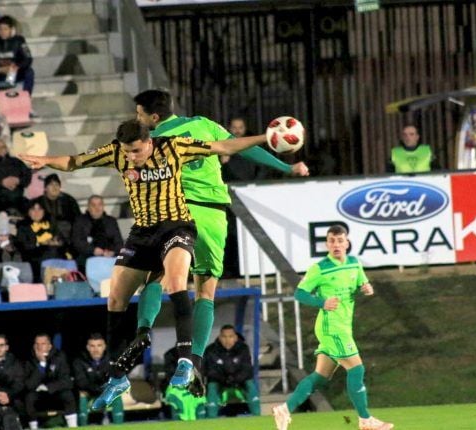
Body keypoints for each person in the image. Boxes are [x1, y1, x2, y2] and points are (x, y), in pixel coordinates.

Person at [19, 118, 272, 410]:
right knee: (115, 297)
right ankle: (117, 376)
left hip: (177, 226)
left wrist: (263, 137)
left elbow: (224, 145)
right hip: (143, 233)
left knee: (177, 282)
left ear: (149, 141)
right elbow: (75, 161)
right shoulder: (117, 152)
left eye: (137, 151)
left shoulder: (175, 148)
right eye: (128, 152)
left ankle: (187, 361)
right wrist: (45, 161)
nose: (132, 158)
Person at [126, 90, 309, 397]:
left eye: (140, 114)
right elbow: (239, 149)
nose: (137, 119)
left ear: (153, 118)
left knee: (155, 276)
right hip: (212, 214)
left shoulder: (150, 142)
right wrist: (286, 167)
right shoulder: (202, 123)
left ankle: (143, 330)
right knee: (205, 291)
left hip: (177, 212)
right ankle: (192, 360)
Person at [272, 225, 393, 430]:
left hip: (344, 326)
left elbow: (360, 286)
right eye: (331, 241)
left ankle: (285, 409)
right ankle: (365, 420)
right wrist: (322, 302)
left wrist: (366, 288)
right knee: (357, 368)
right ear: (327, 244)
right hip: (331, 327)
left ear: (346, 243)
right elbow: (299, 293)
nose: (336, 245)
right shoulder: (320, 268)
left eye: (339, 241)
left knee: (320, 377)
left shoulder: (355, 264)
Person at [202, 325, 259, 417]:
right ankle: (211, 419)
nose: (227, 340)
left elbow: (247, 369)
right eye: (224, 337)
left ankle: (257, 417)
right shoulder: (211, 350)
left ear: (235, 338)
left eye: (230, 336)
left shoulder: (243, 348)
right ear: (220, 337)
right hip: (220, 383)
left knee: (250, 384)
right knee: (212, 386)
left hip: (239, 383)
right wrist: (224, 379)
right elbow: (209, 370)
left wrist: (235, 379)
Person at [22, 333, 77, 429]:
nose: (39, 347)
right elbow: (29, 385)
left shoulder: (59, 357)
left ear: (49, 346)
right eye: (37, 344)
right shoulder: (29, 360)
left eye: (43, 344)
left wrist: (48, 387)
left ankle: (73, 427)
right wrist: (42, 364)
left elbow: (67, 381)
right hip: (38, 394)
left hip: (55, 392)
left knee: (68, 394)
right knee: (29, 397)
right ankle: (33, 427)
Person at [72, 333, 123, 425]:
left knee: (116, 393)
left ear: (104, 347)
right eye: (92, 346)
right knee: (81, 394)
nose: (96, 349)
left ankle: (119, 426)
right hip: (89, 392)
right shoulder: (79, 361)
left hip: (105, 392)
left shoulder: (112, 360)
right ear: (87, 347)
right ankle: (82, 426)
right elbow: (81, 382)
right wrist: (98, 388)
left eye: (99, 345)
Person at [14, 200, 67, 282]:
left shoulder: (51, 223)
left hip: (54, 252)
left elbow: (62, 239)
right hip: (34, 256)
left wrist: (57, 242)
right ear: (28, 212)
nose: (37, 212)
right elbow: (23, 246)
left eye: (39, 209)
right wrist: (41, 243)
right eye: (33, 209)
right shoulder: (23, 226)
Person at [0, 15, 34, 95]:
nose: (2, 32)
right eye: (0, 29)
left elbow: (28, 58)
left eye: (5, 29)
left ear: (12, 30)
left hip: (15, 71)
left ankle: (26, 98)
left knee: (29, 72)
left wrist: (17, 66)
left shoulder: (20, 40)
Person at [70, 195, 123, 271]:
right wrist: (93, 250)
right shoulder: (79, 221)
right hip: (87, 256)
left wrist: (112, 252)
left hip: (109, 256)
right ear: (88, 207)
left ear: (103, 206)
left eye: (100, 204)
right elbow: (77, 242)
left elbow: (119, 242)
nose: (97, 208)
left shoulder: (111, 221)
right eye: (93, 205)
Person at [220, 117, 267, 182]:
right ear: (230, 128)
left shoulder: (253, 146)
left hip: (252, 188)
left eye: (240, 127)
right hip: (230, 187)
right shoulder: (222, 147)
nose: (237, 131)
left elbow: (262, 168)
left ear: (245, 128)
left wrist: (255, 184)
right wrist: (224, 164)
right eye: (234, 127)